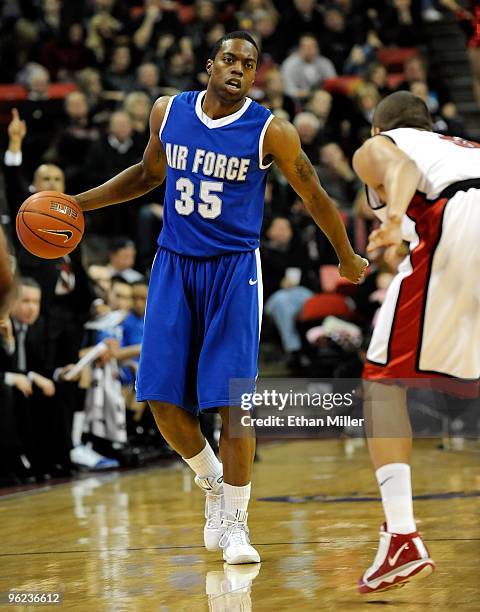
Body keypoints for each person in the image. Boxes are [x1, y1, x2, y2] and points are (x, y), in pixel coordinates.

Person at [72, 31, 367, 565]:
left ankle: (235, 520)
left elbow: (315, 195)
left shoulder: (270, 131)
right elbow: (146, 175)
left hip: (234, 271)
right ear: (210, 64)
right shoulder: (168, 111)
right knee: (162, 401)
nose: (237, 69)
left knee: (232, 403)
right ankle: (211, 482)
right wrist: (77, 203)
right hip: (174, 265)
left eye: (248, 64)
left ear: (255, 75)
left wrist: (347, 256)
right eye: (229, 59)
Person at [352, 90, 480, 593]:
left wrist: (387, 218)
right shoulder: (462, 147)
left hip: (459, 222)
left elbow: (396, 167)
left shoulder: (381, 146)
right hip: (456, 218)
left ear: (376, 129)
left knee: (383, 381)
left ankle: (402, 535)